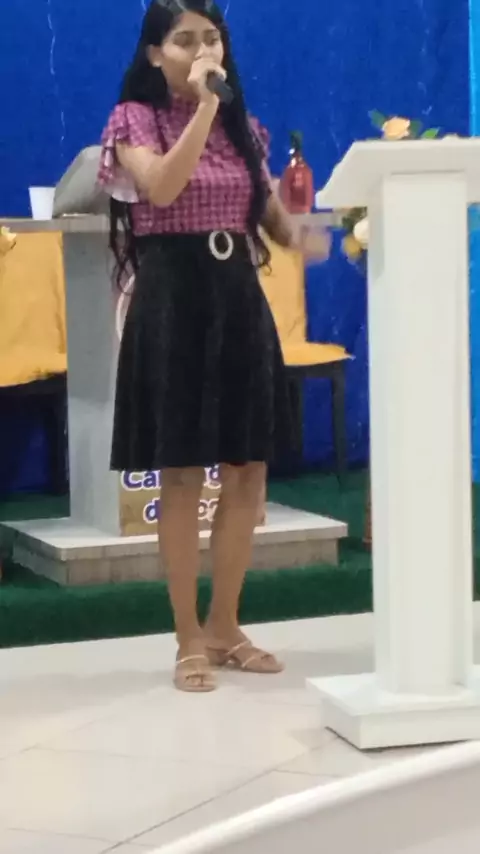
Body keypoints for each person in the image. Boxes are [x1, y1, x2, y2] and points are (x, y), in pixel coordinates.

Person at [98, 0, 330, 692]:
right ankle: (187, 637)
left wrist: (337, 227)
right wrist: (204, 107)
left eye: (213, 39)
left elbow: (276, 223)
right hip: (174, 296)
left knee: (247, 467)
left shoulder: (244, 130)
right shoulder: (134, 120)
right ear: (154, 54)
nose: (204, 51)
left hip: (236, 297)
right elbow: (163, 188)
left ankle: (226, 624)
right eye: (186, 40)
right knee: (181, 471)